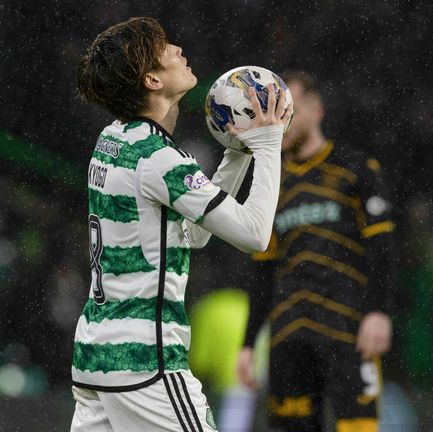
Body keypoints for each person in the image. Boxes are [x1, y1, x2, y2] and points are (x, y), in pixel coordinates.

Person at [71, 16, 293, 432]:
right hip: (145, 365)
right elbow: (256, 235)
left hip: (95, 358)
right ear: (152, 81)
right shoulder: (159, 159)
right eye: (165, 50)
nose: (178, 50)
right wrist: (266, 142)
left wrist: (236, 152)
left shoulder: (113, 140)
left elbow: (193, 233)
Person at [236, 70, 397, 432]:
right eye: (274, 113)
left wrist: (379, 311)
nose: (281, 122)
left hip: (348, 330)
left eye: (287, 110)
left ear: (316, 108)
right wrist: (248, 344)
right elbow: (262, 270)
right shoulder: (269, 186)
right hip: (289, 333)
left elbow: (382, 248)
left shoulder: (356, 170)